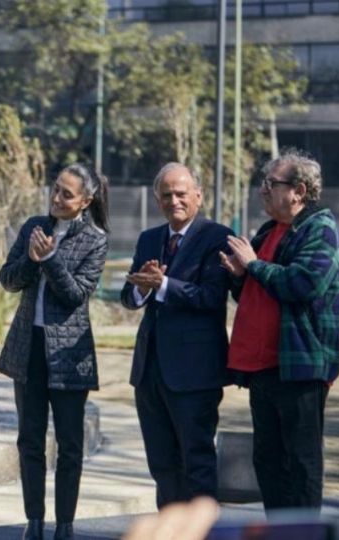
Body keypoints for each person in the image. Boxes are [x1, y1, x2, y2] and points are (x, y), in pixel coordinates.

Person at [220, 151, 339, 513]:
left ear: (299, 190)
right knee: (268, 462)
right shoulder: (269, 231)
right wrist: (240, 274)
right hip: (261, 368)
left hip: (299, 366)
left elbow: (303, 284)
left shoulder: (320, 228)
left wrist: (254, 265)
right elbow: (252, 291)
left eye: (271, 184)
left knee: (301, 464)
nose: (263, 190)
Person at [0, 164, 110, 540]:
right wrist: (32, 257)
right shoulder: (34, 227)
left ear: (86, 201)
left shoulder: (95, 239)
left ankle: (64, 525)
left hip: (68, 357)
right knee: (29, 439)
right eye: (56, 190)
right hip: (27, 347)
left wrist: (51, 260)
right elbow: (9, 280)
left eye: (67, 194)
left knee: (70, 444)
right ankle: (34, 521)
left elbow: (76, 294)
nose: (57, 199)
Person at [121, 162, 232, 509]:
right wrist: (143, 289)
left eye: (181, 193)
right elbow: (129, 295)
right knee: (162, 464)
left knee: (196, 463)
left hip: (194, 374)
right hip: (149, 372)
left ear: (198, 195)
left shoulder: (217, 237)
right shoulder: (149, 239)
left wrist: (165, 285)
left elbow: (212, 297)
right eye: (166, 195)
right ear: (157, 200)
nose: (174, 201)